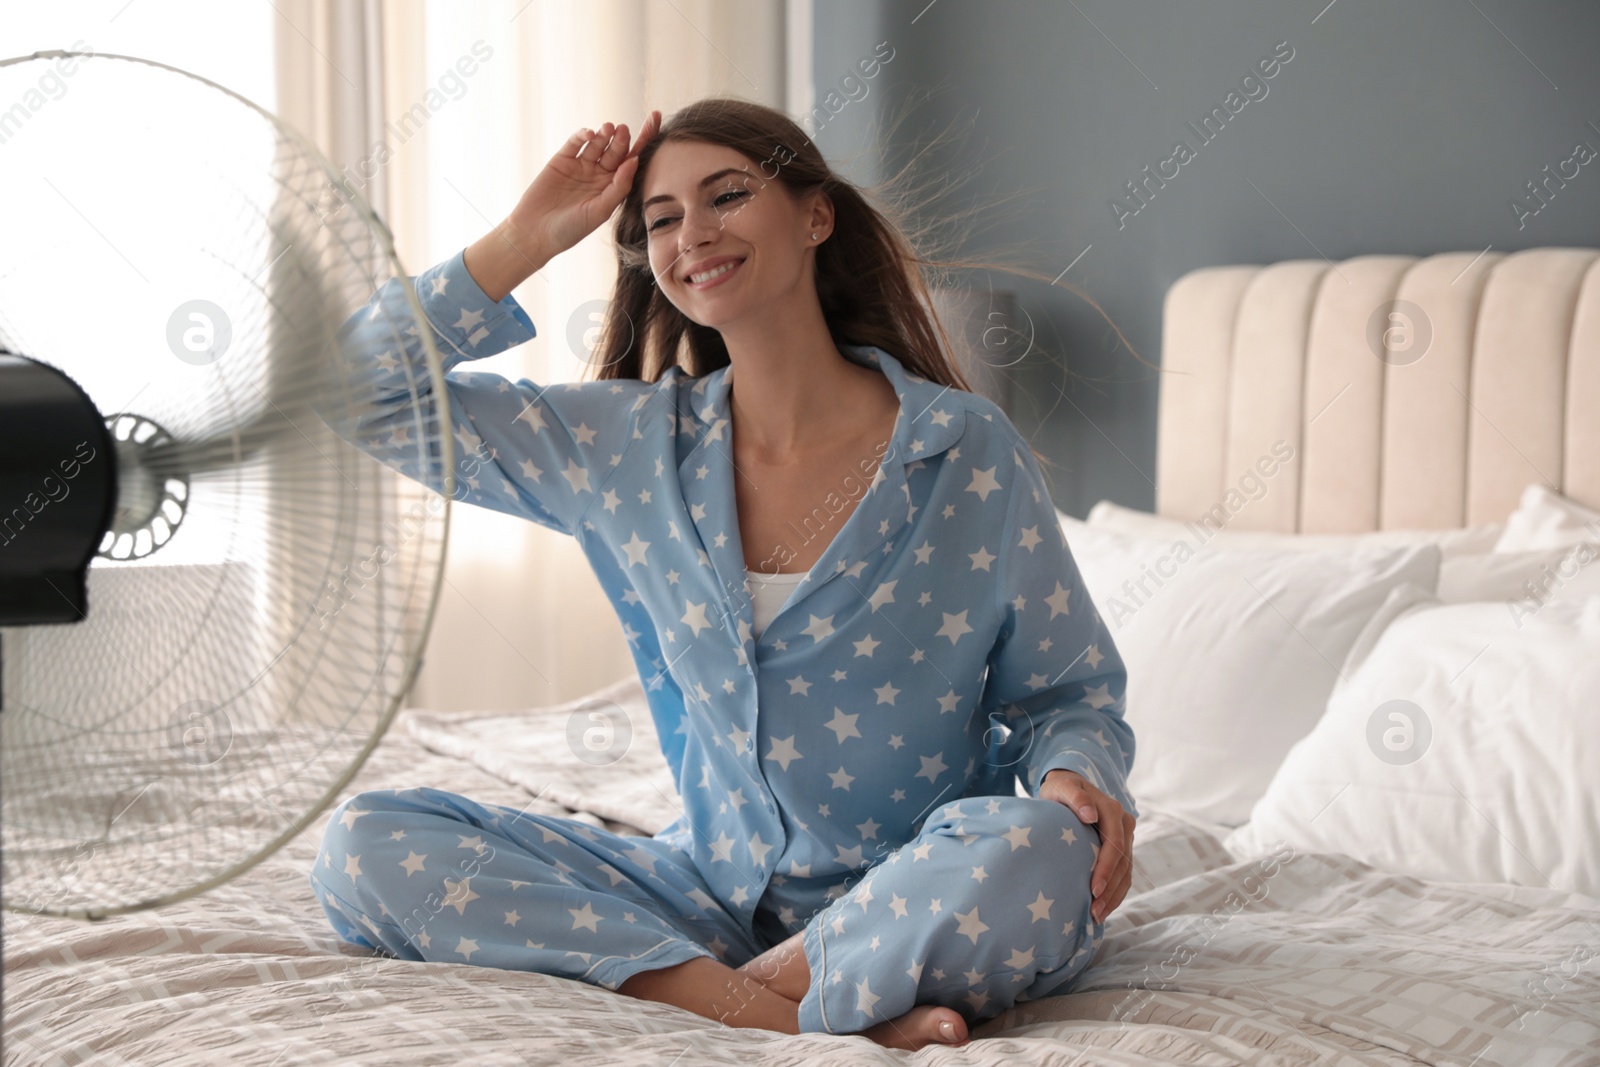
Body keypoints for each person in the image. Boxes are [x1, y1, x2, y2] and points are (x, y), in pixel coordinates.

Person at [308, 98, 1138, 1052]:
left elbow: (1066, 690)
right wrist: (528, 236)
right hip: (708, 890)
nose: (692, 233)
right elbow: (354, 392)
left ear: (816, 215)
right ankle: (796, 1004)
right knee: (366, 844)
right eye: (661, 219)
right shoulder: (627, 446)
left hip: (922, 883)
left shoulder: (964, 450)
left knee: (1037, 847)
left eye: (728, 196)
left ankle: (756, 987)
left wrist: (1078, 773)